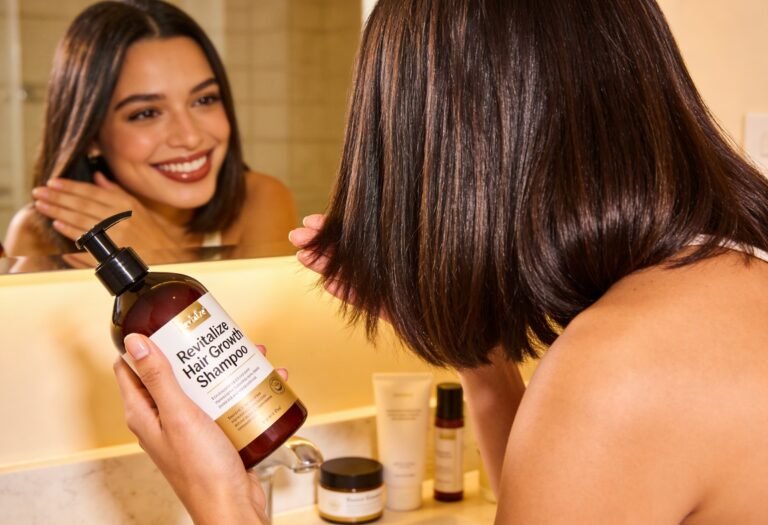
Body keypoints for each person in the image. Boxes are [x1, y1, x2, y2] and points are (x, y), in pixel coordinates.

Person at [115, 0, 768, 523]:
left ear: (452, 155)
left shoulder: (623, 366)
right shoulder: (724, 277)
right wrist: (482, 366)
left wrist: (222, 502)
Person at [2, 0, 296, 267]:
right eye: (146, 113)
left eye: (204, 100)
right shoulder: (39, 232)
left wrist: (162, 258)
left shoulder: (259, 200)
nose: (190, 137)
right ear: (91, 137)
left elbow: (259, 328)